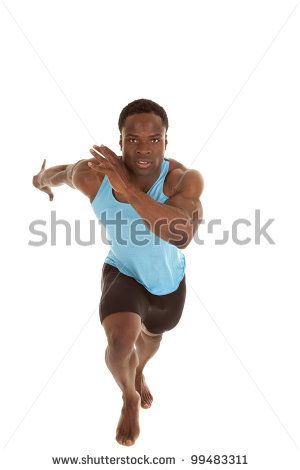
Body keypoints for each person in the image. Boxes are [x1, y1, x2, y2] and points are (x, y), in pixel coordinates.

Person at [32, 98, 204, 446]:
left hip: (168, 285)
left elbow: (180, 235)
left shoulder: (182, 181)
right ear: (120, 139)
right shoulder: (93, 176)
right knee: (120, 342)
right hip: (122, 272)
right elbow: (63, 173)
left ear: (166, 142)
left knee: (152, 339)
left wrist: (128, 192)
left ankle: (139, 371)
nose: (144, 148)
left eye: (154, 139)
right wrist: (41, 179)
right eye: (133, 139)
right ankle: (128, 396)